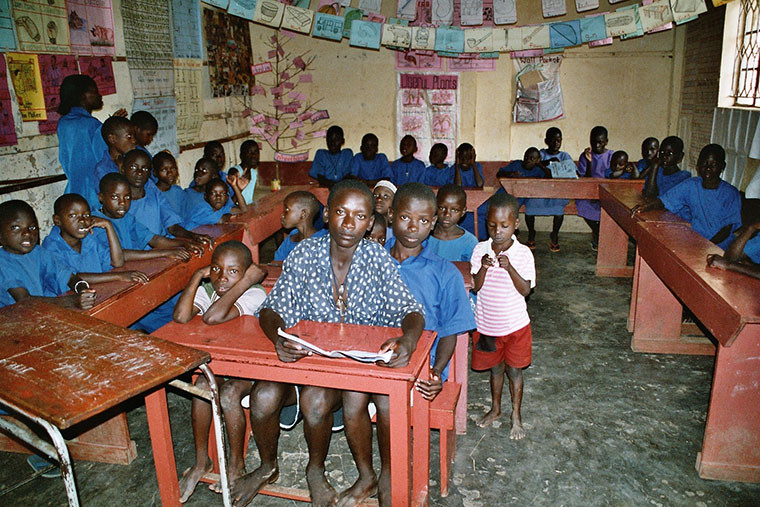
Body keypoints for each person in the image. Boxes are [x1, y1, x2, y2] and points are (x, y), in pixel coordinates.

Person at [229, 180, 425, 507]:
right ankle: (273, 467)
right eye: (341, 213)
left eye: (360, 216)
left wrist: (408, 339)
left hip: (356, 368)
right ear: (326, 215)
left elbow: (410, 310)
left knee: (317, 403)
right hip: (312, 363)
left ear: (371, 220)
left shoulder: (377, 259)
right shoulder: (304, 255)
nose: (350, 224)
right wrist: (279, 338)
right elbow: (271, 309)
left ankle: (323, 470)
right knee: (263, 396)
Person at [339, 183, 475, 506]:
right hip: (371, 360)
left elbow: (450, 331)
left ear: (434, 221)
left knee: (388, 403)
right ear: (390, 215)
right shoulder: (371, 263)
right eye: (404, 218)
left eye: (423, 221)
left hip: (416, 369)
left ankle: (389, 474)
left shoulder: (444, 272)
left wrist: (438, 373)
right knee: (351, 398)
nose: (413, 228)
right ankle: (365, 474)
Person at [172, 241, 267, 503]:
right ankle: (202, 461)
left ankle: (237, 465)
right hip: (223, 365)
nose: (222, 278)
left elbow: (213, 317)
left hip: (255, 371)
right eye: (215, 269)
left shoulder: (255, 294)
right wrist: (195, 277)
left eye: (233, 272)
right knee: (202, 385)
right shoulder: (209, 289)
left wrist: (246, 281)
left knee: (230, 393)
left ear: (247, 273)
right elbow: (180, 316)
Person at [470, 192, 536, 438]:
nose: (497, 231)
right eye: (492, 225)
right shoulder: (480, 250)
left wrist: (510, 268)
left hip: (515, 327)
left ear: (516, 224)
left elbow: (526, 290)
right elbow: (476, 286)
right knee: (495, 370)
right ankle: (495, 409)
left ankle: (516, 415)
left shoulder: (523, 254)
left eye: (504, 226)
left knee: (515, 371)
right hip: (487, 325)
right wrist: (485, 268)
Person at [633, 144, 741, 250]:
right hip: (695, 239)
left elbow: (727, 229)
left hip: (719, 246)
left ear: (722, 166)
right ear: (698, 164)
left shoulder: (730, 193)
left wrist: (706, 246)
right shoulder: (691, 184)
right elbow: (665, 200)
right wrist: (645, 207)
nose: (708, 168)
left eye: (713, 164)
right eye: (705, 163)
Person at [0, 199, 96, 310]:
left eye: (32, 227)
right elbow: (24, 300)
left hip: (43, 313)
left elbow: (68, 276)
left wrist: (82, 289)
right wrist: (72, 301)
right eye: (16, 227)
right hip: (16, 321)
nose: (27, 233)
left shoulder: (38, 252)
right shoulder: (3, 262)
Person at [41, 193, 148, 285]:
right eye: (73, 216)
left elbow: (117, 262)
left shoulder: (89, 238)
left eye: (86, 215)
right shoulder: (51, 246)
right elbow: (73, 278)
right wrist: (119, 276)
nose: (82, 220)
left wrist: (108, 225)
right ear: (57, 220)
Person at [57, 74, 126, 206]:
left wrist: (108, 126)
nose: (100, 96)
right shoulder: (92, 125)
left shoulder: (63, 123)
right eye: (94, 91)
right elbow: (106, 159)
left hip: (73, 191)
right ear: (82, 96)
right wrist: (113, 128)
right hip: (95, 193)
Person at [93, 173, 194, 261]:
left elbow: (153, 239)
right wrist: (165, 253)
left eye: (127, 197)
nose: (122, 202)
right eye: (115, 197)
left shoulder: (127, 218)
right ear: (101, 197)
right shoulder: (96, 223)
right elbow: (119, 255)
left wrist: (184, 244)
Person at [577, 126, 614, 249]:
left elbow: (613, 178)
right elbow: (585, 179)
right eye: (594, 141)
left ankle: (599, 234)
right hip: (589, 191)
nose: (597, 145)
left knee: (611, 208)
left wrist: (601, 195)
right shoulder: (585, 156)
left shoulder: (611, 156)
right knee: (581, 204)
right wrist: (589, 162)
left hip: (608, 191)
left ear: (606, 141)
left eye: (600, 142)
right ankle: (598, 233)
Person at [538, 127, 572, 251]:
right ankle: (531, 233)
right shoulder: (541, 154)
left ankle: (555, 234)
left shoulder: (564, 155)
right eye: (552, 140)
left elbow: (571, 171)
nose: (556, 143)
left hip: (559, 191)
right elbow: (535, 163)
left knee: (559, 207)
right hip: (541, 190)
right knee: (531, 203)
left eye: (559, 140)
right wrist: (549, 161)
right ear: (546, 141)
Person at [428, 184, 478, 262]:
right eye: (442, 208)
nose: (447, 214)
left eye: (454, 210)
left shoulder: (470, 242)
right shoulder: (424, 235)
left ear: (463, 211)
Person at [273, 191, 327, 262]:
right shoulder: (291, 238)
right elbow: (276, 263)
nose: (282, 215)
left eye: (287, 210)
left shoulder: (322, 241)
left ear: (303, 214)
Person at [183, 176, 248, 231]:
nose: (218, 197)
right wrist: (228, 214)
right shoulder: (201, 208)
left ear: (227, 197)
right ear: (206, 197)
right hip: (188, 239)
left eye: (222, 194)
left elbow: (243, 210)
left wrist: (235, 187)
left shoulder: (222, 208)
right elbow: (221, 220)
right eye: (213, 193)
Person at [93, 116, 137, 190]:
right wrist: (122, 173)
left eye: (134, 136)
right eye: (129, 137)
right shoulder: (102, 169)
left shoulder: (134, 160)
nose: (134, 140)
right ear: (112, 139)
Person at [227, 140, 260, 204]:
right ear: (241, 155)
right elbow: (231, 201)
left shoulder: (254, 172)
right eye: (249, 152)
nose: (253, 155)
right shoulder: (235, 171)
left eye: (256, 152)